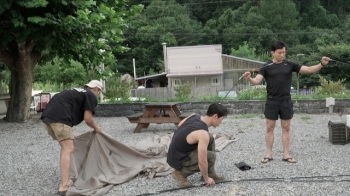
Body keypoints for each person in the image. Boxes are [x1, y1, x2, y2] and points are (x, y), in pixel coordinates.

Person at [242, 40, 330, 163]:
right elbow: (257, 80)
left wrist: (322, 64)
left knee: (286, 127)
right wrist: (249, 79)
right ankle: (269, 154)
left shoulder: (290, 65)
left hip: (286, 101)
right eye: (279, 53)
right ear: (272, 52)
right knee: (269, 127)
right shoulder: (266, 67)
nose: (282, 55)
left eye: (284, 52)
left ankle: (286, 154)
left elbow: (309, 70)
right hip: (272, 101)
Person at [41, 80, 103, 196]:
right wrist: (96, 128)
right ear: (96, 89)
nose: (98, 95)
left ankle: (68, 175)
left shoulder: (78, 92)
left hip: (48, 117)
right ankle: (63, 186)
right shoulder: (90, 95)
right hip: (60, 118)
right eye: (99, 92)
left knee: (65, 148)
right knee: (68, 149)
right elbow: (88, 119)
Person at [167, 103, 227, 187]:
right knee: (210, 156)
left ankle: (210, 172)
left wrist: (194, 135)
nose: (221, 121)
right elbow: (202, 161)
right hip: (178, 159)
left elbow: (180, 124)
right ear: (215, 116)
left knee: (211, 138)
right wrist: (207, 179)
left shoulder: (194, 115)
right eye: (222, 118)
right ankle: (180, 173)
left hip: (173, 154)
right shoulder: (202, 134)